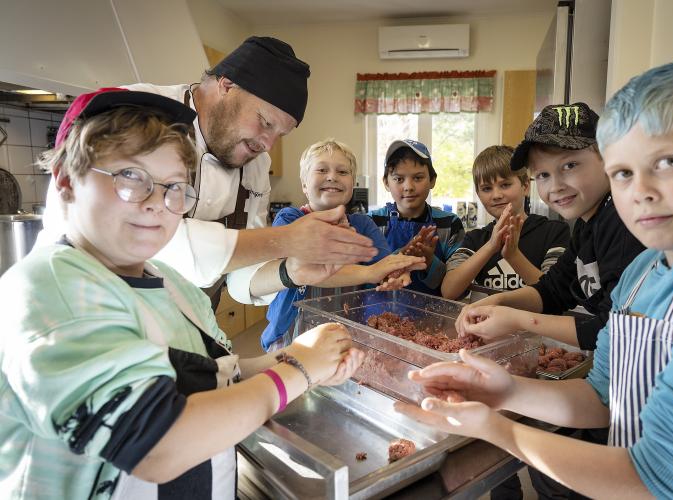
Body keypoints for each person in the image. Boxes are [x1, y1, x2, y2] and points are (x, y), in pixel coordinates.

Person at [396, 61, 673, 498]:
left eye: (667, 162)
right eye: (623, 173)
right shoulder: (643, 272)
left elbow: (659, 479)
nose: (639, 191)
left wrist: (500, 432)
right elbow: (603, 398)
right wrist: (506, 392)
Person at [0, 88, 363, 499]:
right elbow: (158, 444)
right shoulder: (53, 289)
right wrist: (298, 371)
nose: (157, 202)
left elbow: (221, 376)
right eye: (131, 177)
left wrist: (297, 355)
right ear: (67, 180)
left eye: (174, 186)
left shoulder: (172, 284)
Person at [37, 36, 377, 308]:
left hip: (184, 320)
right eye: (264, 122)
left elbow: (243, 276)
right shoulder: (136, 113)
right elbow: (161, 244)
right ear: (226, 85)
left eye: (280, 135)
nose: (268, 145)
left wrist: (290, 270)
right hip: (91, 306)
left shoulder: (255, 164)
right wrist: (287, 239)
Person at [455, 103, 645, 350]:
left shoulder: (622, 221)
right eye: (543, 175)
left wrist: (520, 320)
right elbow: (553, 290)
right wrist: (497, 302)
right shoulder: (587, 224)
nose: (555, 186)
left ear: (607, 157)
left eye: (570, 166)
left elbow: (614, 330)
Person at [252, 138, 426, 351]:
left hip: (344, 334)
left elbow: (384, 264)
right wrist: (370, 272)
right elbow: (302, 270)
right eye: (322, 170)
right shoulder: (289, 219)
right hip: (291, 334)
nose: (332, 177)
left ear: (352, 184)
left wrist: (395, 273)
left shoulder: (363, 224)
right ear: (304, 184)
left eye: (343, 172)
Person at [441, 145, 569, 301]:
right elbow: (449, 291)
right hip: (486, 325)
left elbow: (555, 295)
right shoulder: (474, 239)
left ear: (525, 186)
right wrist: (490, 246)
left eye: (505, 185)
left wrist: (513, 255)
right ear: (478, 194)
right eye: (486, 188)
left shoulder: (553, 232)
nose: (496, 195)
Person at [369, 139, 465, 295]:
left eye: (418, 178)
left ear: (432, 180)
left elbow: (459, 289)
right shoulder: (372, 222)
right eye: (399, 179)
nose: (408, 187)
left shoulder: (449, 224)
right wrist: (401, 258)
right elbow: (362, 279)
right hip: (375, 315)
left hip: (433, 316)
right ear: (386, 182)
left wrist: (429, 261)